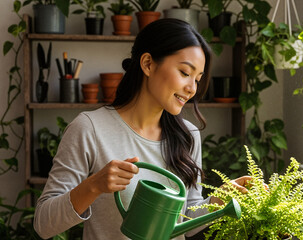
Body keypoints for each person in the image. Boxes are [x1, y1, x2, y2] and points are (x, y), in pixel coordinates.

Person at [34, 18, 250, 240]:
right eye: (185, 73)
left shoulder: (188, 135)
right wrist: (93, 186)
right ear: (148, 64)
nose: (192, 88)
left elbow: (186, 221)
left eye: (198, 79)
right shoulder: (90, 128)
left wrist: (218, 200)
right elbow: (44, 224)